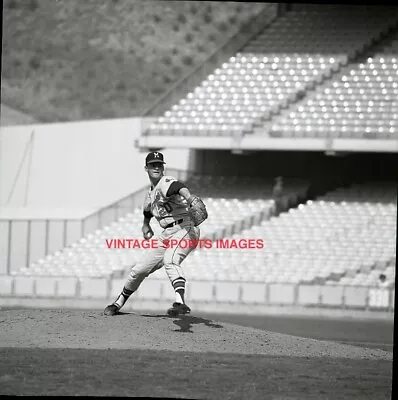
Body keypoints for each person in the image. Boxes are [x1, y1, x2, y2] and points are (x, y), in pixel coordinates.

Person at [104, 151, 207, 317]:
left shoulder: (165, 182)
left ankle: (180, 303)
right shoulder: (150, 194)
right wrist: (145, 225)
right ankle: (118, 303)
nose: (157, 167)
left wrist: (189, 198)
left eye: (159, 164)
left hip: (185, 229)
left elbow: (178, 187)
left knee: (170, 260)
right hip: (167, 234)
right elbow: (147, 211)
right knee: (138, 270)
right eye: (153, 165)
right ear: (146, 168)